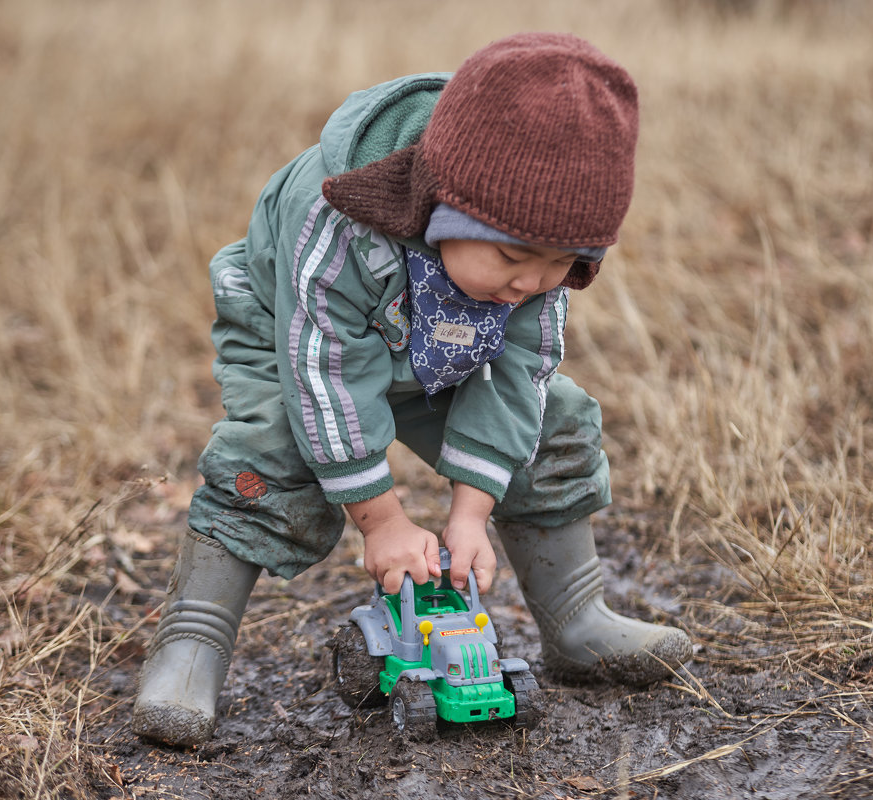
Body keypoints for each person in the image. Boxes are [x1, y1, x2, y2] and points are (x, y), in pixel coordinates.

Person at [132, 32, 692, 747]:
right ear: (446, 208)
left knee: (555, 422)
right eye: (514, 257)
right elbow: (325, 373)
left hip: (442, 347)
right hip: (300, 339)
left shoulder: (539, 263)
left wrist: (470, 511)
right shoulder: (338, 219)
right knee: (272, 451)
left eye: (562, 265)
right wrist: (383, 521)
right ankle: (192, 644)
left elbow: (520, 372)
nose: (532, 282)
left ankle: (575, 619)